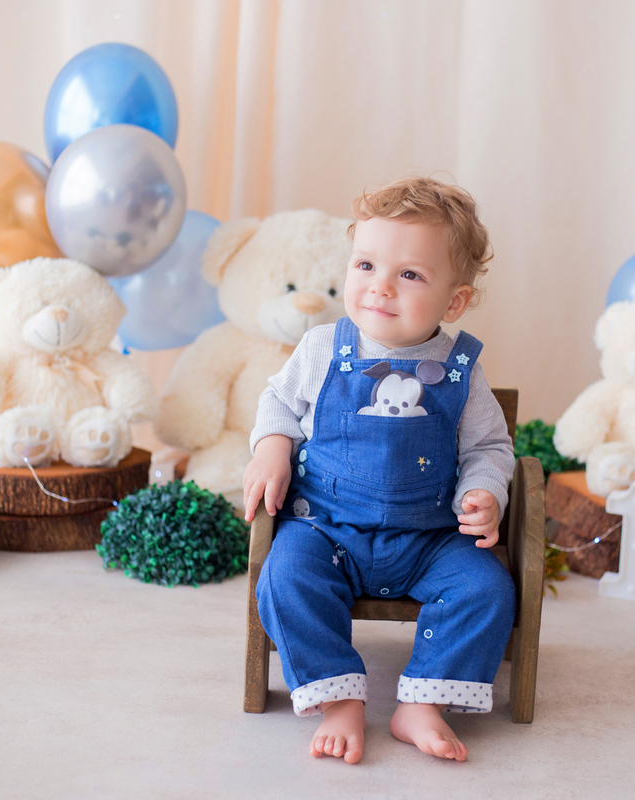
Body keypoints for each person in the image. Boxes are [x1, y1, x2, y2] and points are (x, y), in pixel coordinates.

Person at [243, 176, 516, 764]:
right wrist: (272, 447)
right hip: (327, 527)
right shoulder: (323, 347)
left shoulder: (461, 369)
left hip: (430, 537)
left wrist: (483, 491)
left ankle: (423, 702)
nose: (379, 287)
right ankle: (338, 696)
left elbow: (490, 447)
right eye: (366, 264)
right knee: (285, 576)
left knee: (487, 588)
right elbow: (278, 405)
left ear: (454, 301)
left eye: (409, 274)